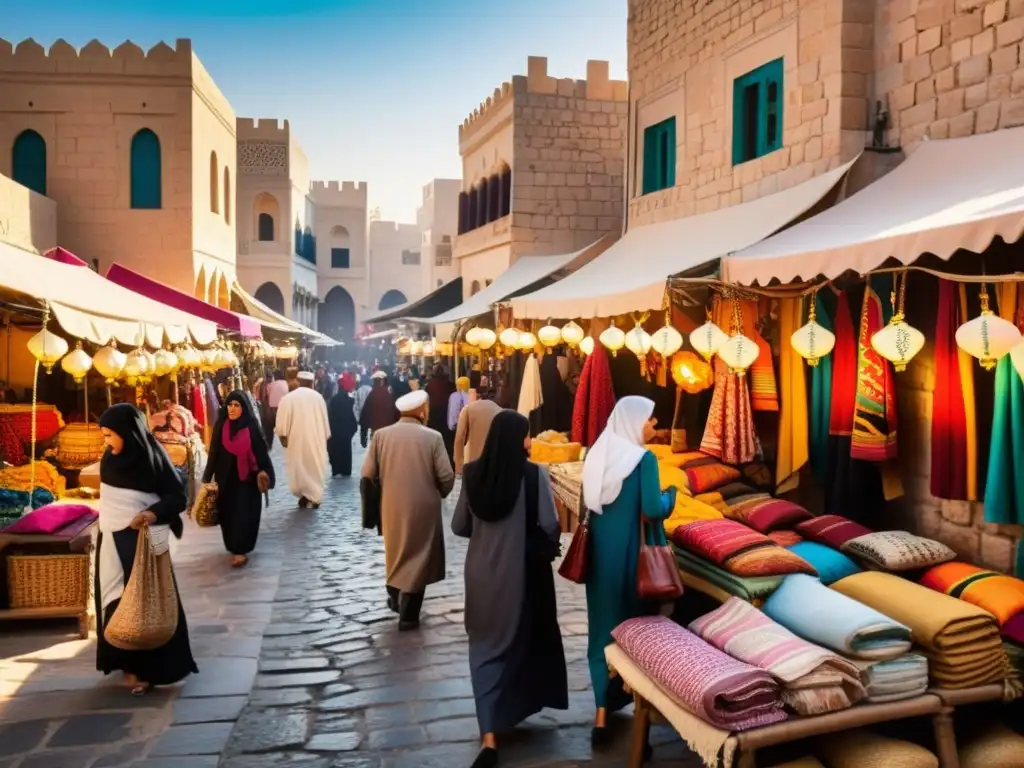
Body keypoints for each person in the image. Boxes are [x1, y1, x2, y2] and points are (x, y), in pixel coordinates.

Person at [453, 410, 567, 768]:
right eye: (527, 436)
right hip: (521, 577)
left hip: (481, 578)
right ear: (519, 439)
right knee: (517, 643)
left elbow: (459, 526)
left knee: (483, 649)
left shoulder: (472, 475)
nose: (529, 442)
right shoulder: (534, 476)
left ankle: (489, 736)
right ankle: (513, 709)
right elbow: (550, 525)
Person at [581, 396, 675, 747]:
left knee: (602, 633)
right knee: (635, 637)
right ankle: (640, 727)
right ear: (635, 421)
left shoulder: (598, 452)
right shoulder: (643, 460)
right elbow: (652, 508)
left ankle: (602, 714)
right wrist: (672, 496)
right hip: (633, 558)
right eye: (650, 420)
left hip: (600, 558)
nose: (653, 426)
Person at [95, 403, 198, 695]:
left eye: (110, 435)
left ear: (128, 433)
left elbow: (176, 497)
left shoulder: (152, 458)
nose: (107, 442)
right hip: (114, 540)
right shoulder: (109, 459)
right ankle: (129, 667)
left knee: (152, 600)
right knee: (118, 599)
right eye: (104, 436)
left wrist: (152, 514)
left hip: (148, 539)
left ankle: (157, 667)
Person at [361, 389, 455, 630]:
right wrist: (441, 492)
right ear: (422, 411)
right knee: (421, 553)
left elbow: (367, 474)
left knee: (397, 550)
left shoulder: (381, 436)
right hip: (424, 506)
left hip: (391, 505)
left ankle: (394, 591)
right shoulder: (433, 437)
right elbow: (446, 476)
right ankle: (409, 614)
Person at [203, 391, 275, 567]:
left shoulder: (251, 428)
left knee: (244, 515)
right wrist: (207, 477)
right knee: (228, 515)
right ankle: (233, 546)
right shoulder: (222, 426)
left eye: (237, 405)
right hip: (226, 480)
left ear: (244, 408)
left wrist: (266, 473)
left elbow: (261, 455)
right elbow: (214, 452)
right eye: (229, 405)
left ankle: (241, 549)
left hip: (247, 482)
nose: (232, 409)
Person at [275, 371, 331, 509]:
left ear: (298, 381)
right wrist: (325, 436)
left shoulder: (288, 398)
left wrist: (283, 435)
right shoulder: (318, 397)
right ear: (312, 383)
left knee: (299, 466)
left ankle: (305, 494)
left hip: (296, 439)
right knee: (314, 466)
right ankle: (313, 495)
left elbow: (281, 421)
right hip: (316, 438)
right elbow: (325, 421)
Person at [453, 397, 502, 475]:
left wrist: (458, 469)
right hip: (495, 467)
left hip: (474, 466)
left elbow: (459, 437)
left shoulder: (468, 409)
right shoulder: (501, 411)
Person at [426, 364, 456, 463]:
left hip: (433, 414)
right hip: (446, 413)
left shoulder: (430, 384)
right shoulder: (450, 384)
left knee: (434, 437)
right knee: (447, 439)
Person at [360, 371, 398, 448]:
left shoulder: (372, 394)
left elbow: (365, 414)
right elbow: (395, 413)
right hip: (388, 433)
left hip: (376, 432)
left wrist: (363, 434)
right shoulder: (390, 394)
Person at [327, 387, 359, 477]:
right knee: (346, 451)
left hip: (335, 430)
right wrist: (352, 429)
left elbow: (330, 415)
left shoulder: (333, 400)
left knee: (336, 450)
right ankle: (346, 470)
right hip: (346, 430)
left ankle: (336, 469)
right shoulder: (350, 401)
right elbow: (353, 416)